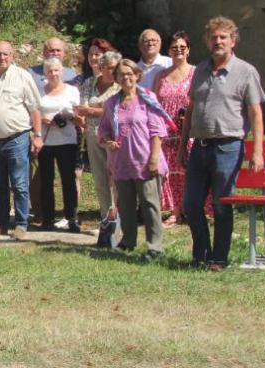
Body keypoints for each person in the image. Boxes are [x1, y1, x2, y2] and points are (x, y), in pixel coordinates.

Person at [179, 16, 265, 271]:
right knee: (191, 204)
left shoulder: (245, 71)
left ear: (233, 41)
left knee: (221, 205)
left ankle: (219, 258)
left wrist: (257, 151)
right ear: (207, 41)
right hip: (199, 147)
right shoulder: (199, 70)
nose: (218, 41)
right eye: (213, 37)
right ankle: (202, 254)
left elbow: (256, 113)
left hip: (228, 147)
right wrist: (183, 145)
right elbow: (191, 110)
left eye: (223, 37)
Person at [98, 59, 171, 260]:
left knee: (150, 205)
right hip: (122, 162)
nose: (126, 77)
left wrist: (154, 158)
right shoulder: (111, 103)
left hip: (146, 161)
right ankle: (128, 241)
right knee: (125, 205)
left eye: (130, 73)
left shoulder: (148, 98)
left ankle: (155, 246)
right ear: (116, 78)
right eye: (121, 74)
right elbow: (104, 130)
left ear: (137, 75)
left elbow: (158, 131)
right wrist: (108, 141)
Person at [0, 40, 42, 239]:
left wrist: (38, 135)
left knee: (19, 185)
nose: (2, 58)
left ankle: (21, 224)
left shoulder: (22, 76)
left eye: (5, 54)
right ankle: (0, 224)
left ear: (12, 55)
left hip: (17, 139)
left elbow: (34, 109)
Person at [74, 46, 122, 247]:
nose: (112, 71)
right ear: (101, 67)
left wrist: (92, 111)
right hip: (93, 138)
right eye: (109, 67)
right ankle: (105, 221)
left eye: (115, 67)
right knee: (101, 181)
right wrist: (96, 110)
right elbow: (81, 108)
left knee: (116, 181)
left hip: (113, 139)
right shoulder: (89, 83)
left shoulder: (120, 87)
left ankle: (118, 223)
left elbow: (117, 112)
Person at [154, 31, 200, 225]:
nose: (178, 50)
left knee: (188, 171)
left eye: (182, 47)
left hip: (189, 130)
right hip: (167, 132)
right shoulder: (161, 75)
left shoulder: (196, 73)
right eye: (174, 47)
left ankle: (191, 209)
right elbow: (154, 103)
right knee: (170, 173)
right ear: (169, 51)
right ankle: (175, 211)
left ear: (188, 50)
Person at [37, 57, 81, 232]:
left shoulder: (72, 91)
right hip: (46, 141)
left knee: (68, 180)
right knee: (46, 180)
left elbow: (79, 117)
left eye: (56, 70)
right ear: (45, 73)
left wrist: (67, 116)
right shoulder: (39, 91)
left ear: (62, 71)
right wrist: (42, 119)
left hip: (67, 140)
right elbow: (32, 114)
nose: (53, 74)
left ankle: (72, 218)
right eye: (49, 71)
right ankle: (47, 219)